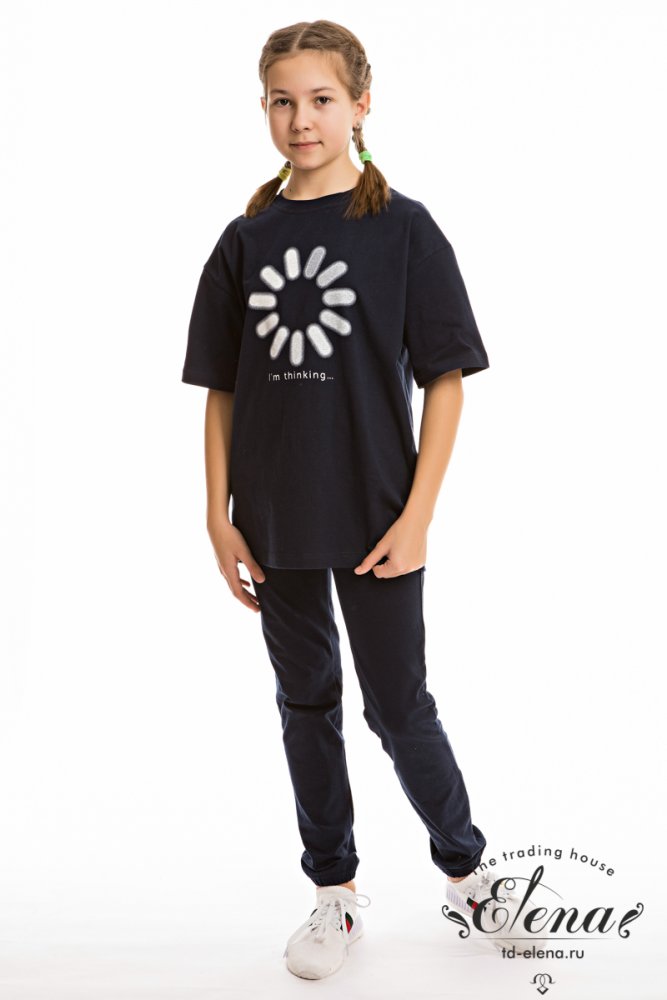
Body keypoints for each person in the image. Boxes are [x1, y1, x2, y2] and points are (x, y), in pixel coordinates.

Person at [181, 19, 513, 980]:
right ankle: (333, 892)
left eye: (321, 100)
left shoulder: (404, 230)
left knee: (398, 706)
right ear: (263, 109)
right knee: (305, 703)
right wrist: (217, 515)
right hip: (273, 519)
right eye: (282, 101)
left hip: (377, 517)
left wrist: (418, 515)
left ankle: (465, 870)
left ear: (360, 105)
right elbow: (222, 390)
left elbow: (445, 379)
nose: (302, 120)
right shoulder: (245, 241)